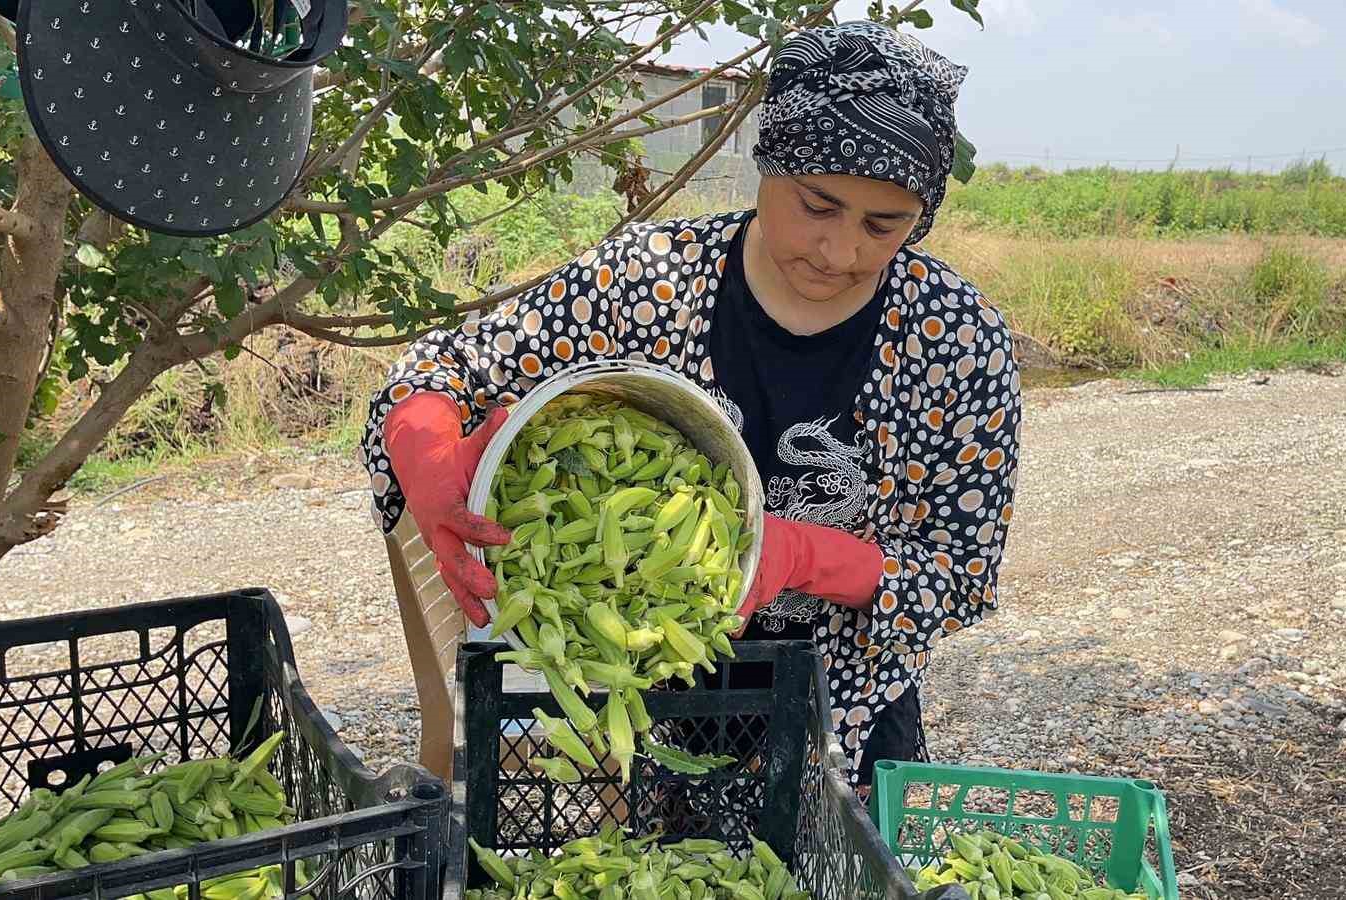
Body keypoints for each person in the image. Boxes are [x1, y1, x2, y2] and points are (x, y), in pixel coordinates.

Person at [359, 20, 1022, 789]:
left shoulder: (957, 341)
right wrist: (432, 464)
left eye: (884, 225)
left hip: (842, 696)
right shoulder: (651, 280)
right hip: (632, 682)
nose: (840, 251)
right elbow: (438, 373)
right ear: (770, 160)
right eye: (817, 205)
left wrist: (802, 555)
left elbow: (960, 573)